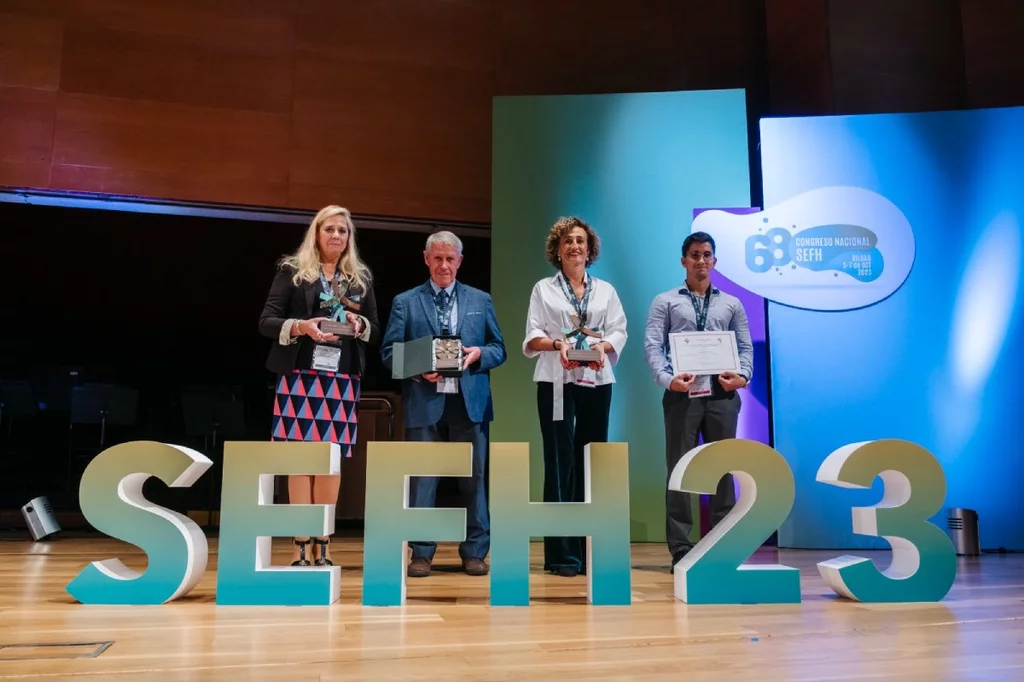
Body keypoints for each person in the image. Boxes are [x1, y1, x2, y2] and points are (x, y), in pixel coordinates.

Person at [380, 230, 506, 578]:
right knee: (423, 478)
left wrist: (479, 354)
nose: (444, 265)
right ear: (426, 258)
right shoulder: (406, 302)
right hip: (425, 398)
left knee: (475, 478)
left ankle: (475, 551)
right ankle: (421, 552)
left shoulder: (481, 300)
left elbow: (499, 348)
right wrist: (420, 369)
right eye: (438, 258)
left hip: (471, 401)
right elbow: (389, 353)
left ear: (460, 261)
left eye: (451, 259)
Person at [258, 205, 379, 567]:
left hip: (341, 380)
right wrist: (302, 327)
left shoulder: (359, 279)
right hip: (299, 378)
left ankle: (322, 545)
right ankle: (299, 544)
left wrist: (359, 327)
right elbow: (267, 321)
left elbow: (374, 327)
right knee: (300, 462)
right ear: (316, 233)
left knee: (330, 462)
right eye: (330, 229)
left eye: (343, 231)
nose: (337, 236)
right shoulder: (294, 272)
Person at [522, 216, 627, 578]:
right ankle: (562, 556)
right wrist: (557, 345)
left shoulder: (606, 291)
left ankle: (590, 549)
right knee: (559, 463)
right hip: (556, 380)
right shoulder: (543, 289)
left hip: (597, 381)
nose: (575, 247)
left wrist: (601, 348)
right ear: (557, 249)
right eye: (567, 241)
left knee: (593, 463)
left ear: (590, 248)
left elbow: (618, 330)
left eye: (580, 241)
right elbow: (533, 335)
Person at [643, 230, 753, 568]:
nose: (701, 260)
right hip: (683, 394)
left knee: (723, 470)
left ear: (714, 260)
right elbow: (652, 345)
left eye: (706, 254)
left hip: (722, 395)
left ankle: (722, 543)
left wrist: (743, 376)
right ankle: (680, 547)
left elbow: (745, 347)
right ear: (684, 261)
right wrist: (668, 380)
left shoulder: (731, 303)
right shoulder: (666, 301)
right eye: (694, 255)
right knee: (680, 471)